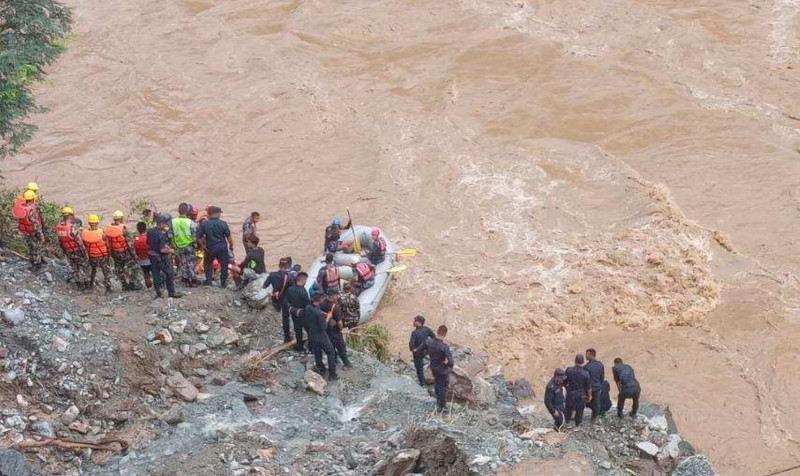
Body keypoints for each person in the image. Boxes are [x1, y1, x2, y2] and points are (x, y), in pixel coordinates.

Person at [147, 214, 182, 299]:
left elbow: (148, 243)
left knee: (156, 275)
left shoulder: (150, 231)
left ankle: (158, 292)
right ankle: (171, 292)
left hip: (152, 256)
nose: (167, 225)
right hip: (160, 258)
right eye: (166, 223)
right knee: (169, 273)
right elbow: (162, 250)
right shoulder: (161, 234)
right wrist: (171, 251)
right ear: (162, 223)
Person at [197, 206, 233, 288]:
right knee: (224, 264)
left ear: (209, 213)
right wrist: (231, 246)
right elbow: (229, 237)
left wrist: (203, 246)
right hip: (222, 247)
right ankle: (223, 283)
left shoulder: (204, 224)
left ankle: (209, 281)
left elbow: (198, 237)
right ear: (218, 213)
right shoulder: (223, 224)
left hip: (210, 247)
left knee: (208, 263)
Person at [304, 292, 338, 380]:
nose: (324, 300)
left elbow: (315, 313)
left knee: (317, 351)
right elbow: (324, 327)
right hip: (320, 335)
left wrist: (323, 314)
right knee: (330, 352)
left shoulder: (308, 307)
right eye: (322, 299)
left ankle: (321, 367)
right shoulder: (318, 314)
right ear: (319, 300)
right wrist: (328, 317)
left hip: (311, 334)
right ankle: (332, 375)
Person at [105, 210, 141, 291]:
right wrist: (134, 255)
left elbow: (107, 242)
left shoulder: (108, 229)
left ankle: (124, 286)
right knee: (136, 267)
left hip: (115, 253)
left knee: (119, 270)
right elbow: (130, 244)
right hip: (124, 252)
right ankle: (132, 283)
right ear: (121, 218)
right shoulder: (123, 229)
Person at [55, 206, 90, 290]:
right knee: (84, 267)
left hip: (68, 251)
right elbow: (79, 242)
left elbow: (60, 241)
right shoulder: (73, 228)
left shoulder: (59, 227)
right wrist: (85, 253)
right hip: (77, 251)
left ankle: (78, 285)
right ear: (71, 215)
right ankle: (86, 285)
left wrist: (65, 251)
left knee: (74, 268)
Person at [13, 190, 46, 270]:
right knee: (36, 248)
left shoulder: (22, 209)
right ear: (32, 199)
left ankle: (32, 262)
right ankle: (36, 265)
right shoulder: (31, 210)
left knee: (30, 247)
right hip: (33, 233)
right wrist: (41, 236)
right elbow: (36, 225)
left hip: (26, 232)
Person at [81, 214, 112, 293]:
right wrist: (109, 254)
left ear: (89, 223)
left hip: (92, 256)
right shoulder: (102, 233)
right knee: (106, 272)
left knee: (92, 271)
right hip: (102, 256)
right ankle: (108, 288)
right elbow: (108, 245)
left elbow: (83, 245)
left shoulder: (84, 233)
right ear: (97, 223)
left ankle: (90, 286)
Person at [425, 325, 454, 412]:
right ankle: (442, 406)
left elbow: (423, 350)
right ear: (445, 334)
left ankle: (438, 401)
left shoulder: (429, 342)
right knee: (443, 387)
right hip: (442, 370)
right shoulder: (444, 347)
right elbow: (451, 361)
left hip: (433, 367)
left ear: (437, 331)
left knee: (437, 384)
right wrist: (449, 366)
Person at [321, 289, 352, 369]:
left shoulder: (322, 303)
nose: (337, 297)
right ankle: (347, 364)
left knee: (331, 346)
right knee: (340, 347)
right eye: (336, 295)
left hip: (326, 330)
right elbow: (339, 322)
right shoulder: (335, 306)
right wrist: (341, 329)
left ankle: (334, 360)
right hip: (335, 331)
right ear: (332, 296)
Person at [265, 258, 292, 342]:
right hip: (285, 299)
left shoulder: (272, 275)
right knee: (285, 318)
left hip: (275, 299)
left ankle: (276, 308)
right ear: (288, 266)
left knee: (279, 309)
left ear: (279, 266)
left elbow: (265, 285)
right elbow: (292, 290)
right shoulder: (289, 277)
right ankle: (287, 336)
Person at [172, 203, 199, 286]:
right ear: (187, 212)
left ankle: (185, 279)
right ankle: (193, 279)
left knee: (183, 262)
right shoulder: (191, 223)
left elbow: (170, 234)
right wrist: (197, 246)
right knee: (192, 262)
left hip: (178, 245)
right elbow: (195, 235)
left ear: (178, 211)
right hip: (190, 245)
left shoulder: (173, 222)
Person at [285, 272, 311, 352]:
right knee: (309, 330)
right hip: (303, 314)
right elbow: (307, 304)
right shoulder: (303, 292)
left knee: (298, 330)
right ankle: (311, 346)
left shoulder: (290, 289)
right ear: (302, 280)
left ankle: (299, 346)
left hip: (294, 313)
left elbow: (287, 301)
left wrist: (292, 309)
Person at [565, 354, 592, 427]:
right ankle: (578, 424)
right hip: (581, 395)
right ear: (583, 362)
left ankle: (566, 422)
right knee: (579, 410)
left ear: (575, 361)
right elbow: (588, 387)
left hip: (570, 394)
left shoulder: (569, 370)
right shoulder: (586, 373)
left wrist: (567, 389)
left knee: (568, 409)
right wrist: (589, 396)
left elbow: (564, 381)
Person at [408, 315, 435, 387]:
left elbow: (411, 343)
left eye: (415, 321)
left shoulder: (414, 333)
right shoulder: (427, 329)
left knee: (419, 368)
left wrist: (413, 349)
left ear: (420, 322)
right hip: (426, 350)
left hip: (418, 353)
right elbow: (434, 337)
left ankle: (422, 383)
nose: (413, 322)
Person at [584, 348, 607, 421]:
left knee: (584, 402)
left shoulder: (587, 367)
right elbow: (602, 377)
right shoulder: (600, 364)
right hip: (597, 388)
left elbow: (585, 380)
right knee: (597, 404)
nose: (585, 356)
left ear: (591, 354)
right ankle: (594, 417)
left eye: (587, 354)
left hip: (588, 389)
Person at [133, 222, 153, 289]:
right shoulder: (148, 238)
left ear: (138, 229)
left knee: (146, 273)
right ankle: (156, 285)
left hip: (141, 260)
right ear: (146, 229)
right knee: (154, 272)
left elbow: (135, 250)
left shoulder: (136, 239)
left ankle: (148, 286)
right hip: (150, 259)